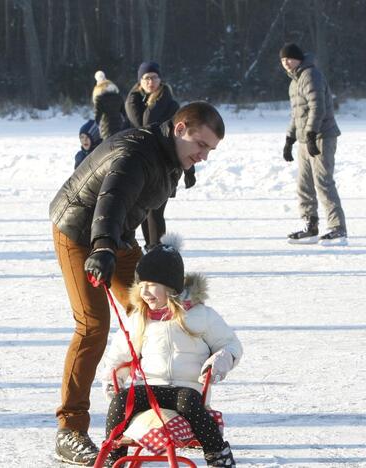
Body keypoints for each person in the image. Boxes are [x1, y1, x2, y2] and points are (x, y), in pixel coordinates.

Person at [49, 102, 225, 465]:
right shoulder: (135, 154)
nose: (204, 156)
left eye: (210, 150)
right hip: (81, 230)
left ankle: (160, 409)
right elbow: (109, 202)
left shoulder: (170, 159)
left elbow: (150, 210)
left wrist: (158, 255)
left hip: (118, 235)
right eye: (202, 145)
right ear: (180, 129)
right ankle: (70, 429)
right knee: (93, 325)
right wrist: (101, 249)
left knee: (153, 310)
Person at [99, 240, 242, 467]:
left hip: (187, 389)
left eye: (152, 284)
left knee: (188, 401)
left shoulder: (200, 316)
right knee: (121, 400)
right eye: (141, 284)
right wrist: (112, 378)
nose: (144, 291)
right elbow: (120, 354)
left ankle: (217, 452)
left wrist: (220, 361)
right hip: (148, 389)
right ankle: (114, 456)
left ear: (171, 287)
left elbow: (231, 345)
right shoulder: (139, 318)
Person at [280, 43, 348, 246]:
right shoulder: (295, 81)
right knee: (304, 184)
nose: (286, 63)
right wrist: (289, 139)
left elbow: (317, 106)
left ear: (299, 58)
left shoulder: (311, 75)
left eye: (289, 59)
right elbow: (297, 113)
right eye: (283, 60)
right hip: (305, 139)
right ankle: (310, 225)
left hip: (322, 136)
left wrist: (311, 134)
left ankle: (338, 229)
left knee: (323, 182)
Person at [125, 61, 184, 251]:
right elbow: (141, 124)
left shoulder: (171, 103)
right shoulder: (133, 101)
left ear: (161, 79)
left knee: (156, 210)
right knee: (143, 209)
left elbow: (150, 122)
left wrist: (160, 99)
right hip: (140, 163)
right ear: (139, 81)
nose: (150, 81)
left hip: (166, 164)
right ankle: (151, 249)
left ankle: (158, 250)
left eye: (154, 77)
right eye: (146, 78)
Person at [92, 71, 126, 140]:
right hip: (120, 127)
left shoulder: (99, 99)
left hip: (106, 129)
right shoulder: (118, 97)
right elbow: (125, 114)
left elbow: (97, 116)